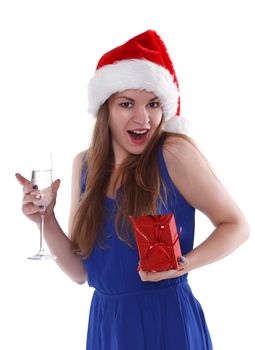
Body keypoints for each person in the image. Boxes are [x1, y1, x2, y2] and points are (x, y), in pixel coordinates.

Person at [16, 30, 250, 350]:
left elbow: (236, 225)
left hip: (166, 320)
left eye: (153, 103)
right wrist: (46, 219)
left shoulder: (173, 153)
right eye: (127, 104)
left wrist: (184, 264)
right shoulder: (84, 165)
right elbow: (79, 272)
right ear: (106, 110)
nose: (143, 118)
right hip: (106, 325)